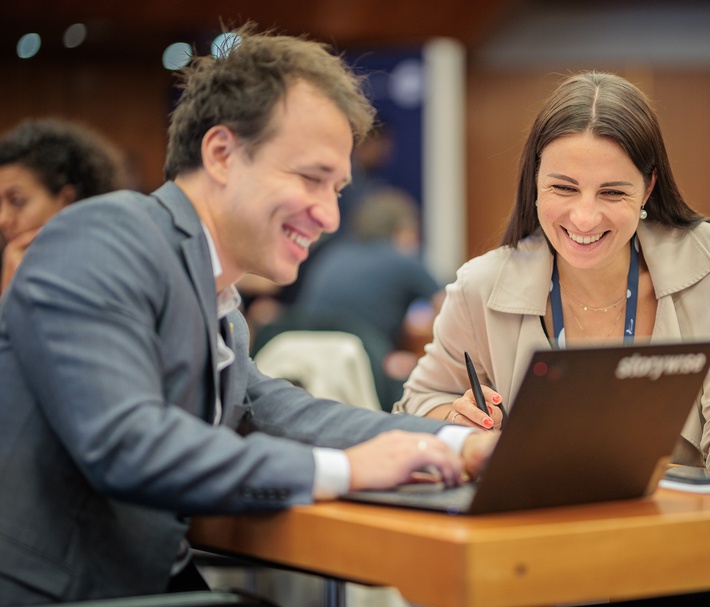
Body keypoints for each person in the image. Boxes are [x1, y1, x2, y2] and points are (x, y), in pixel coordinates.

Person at [0, 24, 496, 605]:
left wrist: (452, 443)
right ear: (221, 153)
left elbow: (288, 415)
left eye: (337, 189)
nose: (330, 216)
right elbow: (128, 445)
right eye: (311, 178)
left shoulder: (218, 299)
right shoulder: (102, 237)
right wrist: (342, 470)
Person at [393, 71, 710, 605]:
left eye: (613, 192)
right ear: (535, 181)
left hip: (673, 553)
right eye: (563, 188)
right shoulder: (482, 285)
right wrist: (458, 423)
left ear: (649, 187)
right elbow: (415, 406)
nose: (585, 217)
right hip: (534, 552)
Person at [256, 185, 443, 411]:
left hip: (298, 355)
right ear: (404, 231)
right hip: (360, 359)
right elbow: (450, 308)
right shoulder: (402, 259)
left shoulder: (333, 254)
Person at [0, 117, 126, 295]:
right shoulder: (9, 261)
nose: (3, 219)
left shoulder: (110, 271)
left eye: (17, 201)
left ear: (66, 200)